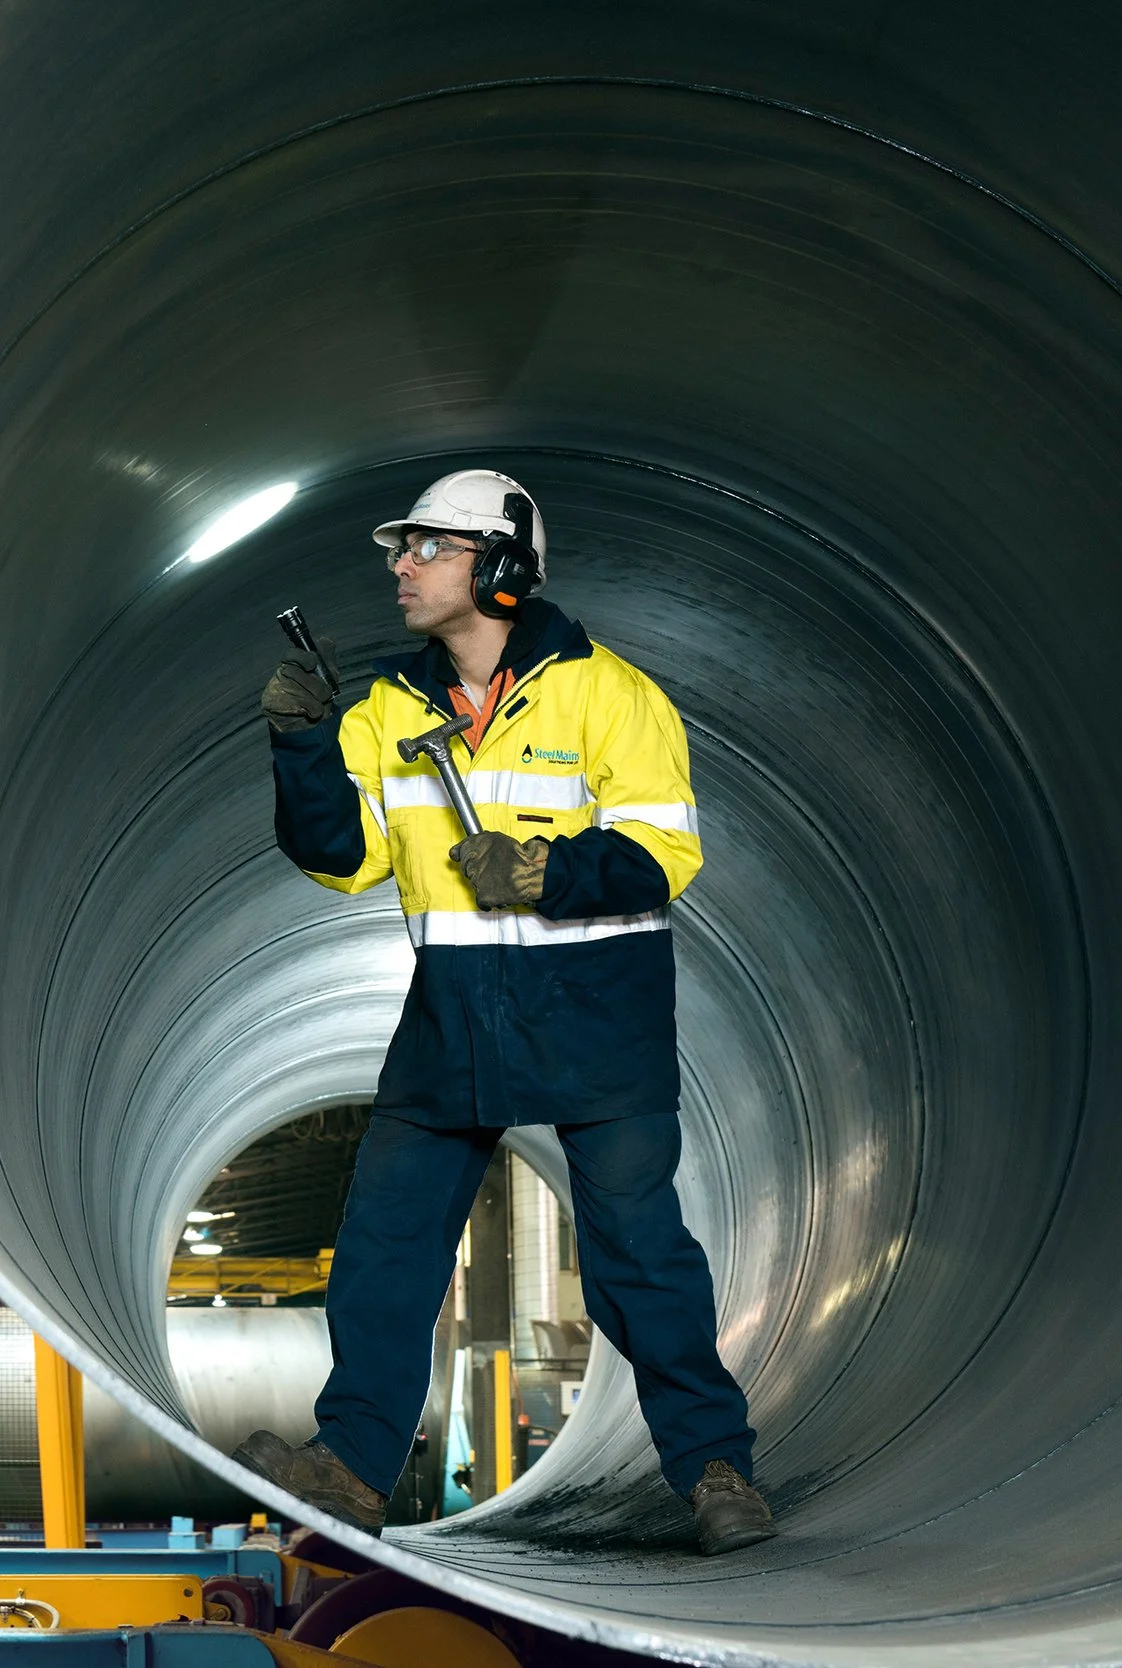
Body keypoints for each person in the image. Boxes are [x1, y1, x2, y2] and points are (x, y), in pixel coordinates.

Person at [233, 469, 774, 1557]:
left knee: (636, 1253)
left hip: (594, 1016)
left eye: (427, 548)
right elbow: (342, 857)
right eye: (404, 549)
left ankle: (716, 1466)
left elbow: (664, 852)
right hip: (454, 1021)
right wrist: (301, 745)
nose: (401, 566)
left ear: (503, 565)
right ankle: (350, 1468)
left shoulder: (610, 697)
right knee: (384, 1247)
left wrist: (543, 870)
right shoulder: (389, 711)